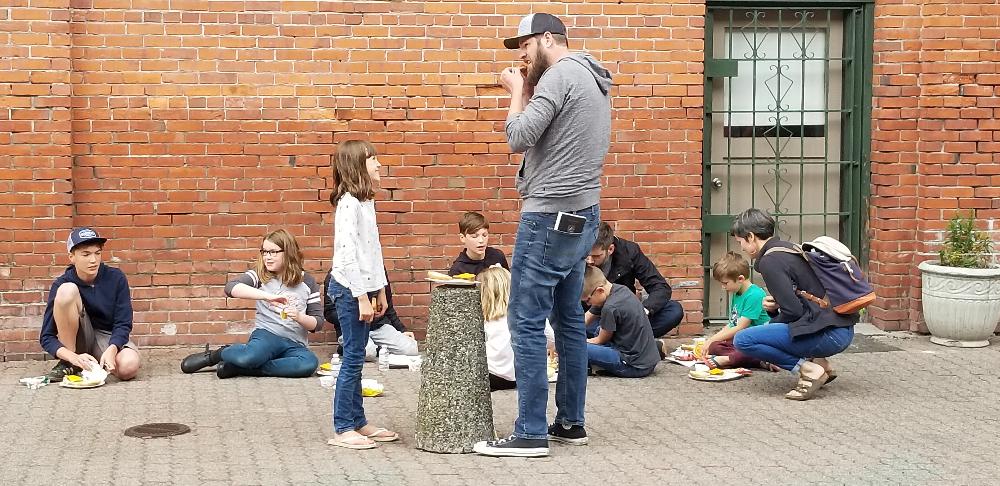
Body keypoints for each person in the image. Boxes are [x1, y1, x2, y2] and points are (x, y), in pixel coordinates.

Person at [474, 13, 612, 458]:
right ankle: (570, 423)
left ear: (548, 39)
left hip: (548, 216)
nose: (521, 56)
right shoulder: (591, 76)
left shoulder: (558, 76)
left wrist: (517, 93)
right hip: (583, 214)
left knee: (525, 322)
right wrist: (530, 90)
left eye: (526, 46)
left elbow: (518, 135)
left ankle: (530, 432)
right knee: (569, 321)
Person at [730, 208, 857, 400]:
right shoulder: (787, 248)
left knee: (744, 340)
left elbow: (793, 311)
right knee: (771, 330)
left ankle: (809, 369)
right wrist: (775, 310)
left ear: (750, 237)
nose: (741, 248)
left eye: (740, 242)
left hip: (830, 335)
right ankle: (823, 365)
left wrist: (769, 326)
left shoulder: (769, 262)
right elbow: (800, 304)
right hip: (842, 329)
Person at [326, 139, 399, 449]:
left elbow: (373, 251)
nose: (379, 164)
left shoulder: (366, 202)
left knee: (357, 356)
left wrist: (380, 290)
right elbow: (346, 255)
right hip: (348, 289)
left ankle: (359, 422)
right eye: (372, 159)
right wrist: (359, 297)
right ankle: (343, 427)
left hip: (366, 287)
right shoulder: (348, 204)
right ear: (357, 166)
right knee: (354, 358)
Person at [179, 229, 323, 379]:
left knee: (308, 364)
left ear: (288, 252)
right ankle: (217, 355)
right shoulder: (260, 275)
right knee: (248, 357)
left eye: (273, 252)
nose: (267, 257)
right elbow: (231, 288)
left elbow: (317, 323)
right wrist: (268, 297)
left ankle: (240, 368)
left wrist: (299, 317)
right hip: (267, 336)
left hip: (295, 343)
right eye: (265, 252)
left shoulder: (308, 282)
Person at [40, 227, 141, 381]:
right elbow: (47, 336)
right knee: (67, 290)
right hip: (76, 340)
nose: (93, 260)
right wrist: (71, 356)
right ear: (71, 257)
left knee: (129, 366)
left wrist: (113, 348)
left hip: (106, 337)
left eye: (97, 253)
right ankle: (69, 365)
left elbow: (123, 323)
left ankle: (96, 360)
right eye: (86, 254)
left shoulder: (116, 278)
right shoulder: (62, 283)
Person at [585, 222, 684, 342]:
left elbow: (660, 287)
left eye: (596, 256)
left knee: (673, 311)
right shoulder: (577, 256)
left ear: (610, 249)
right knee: (572, 325)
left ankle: (617, 340)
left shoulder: (629, 251)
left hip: (625, 318)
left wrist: (641, 312)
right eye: (586, 255)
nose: (589, 261)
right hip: (592, 317)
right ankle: (634, 342)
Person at [477, 265, 555, 391]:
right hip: (516, 377)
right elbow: (551, 340)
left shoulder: (484, 319)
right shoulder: (529, 312)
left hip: (490, 374)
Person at [581, 266, 659, 378]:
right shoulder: (619, 289)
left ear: (600, 291)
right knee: (597, 329)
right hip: (646, 360)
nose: (588, 304)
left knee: (576, 347)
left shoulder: (610, 308)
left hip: (633, 365)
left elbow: (600, 340)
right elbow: (587, 318)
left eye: (588, 300)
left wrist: (569, 342)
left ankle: (586, 365)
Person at [702, 251, 775, 370]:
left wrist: (712, 339)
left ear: (740, 278)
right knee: (714, 347)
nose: (723, 287)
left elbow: (740, 327)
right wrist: (711, 341)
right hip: (741, 341)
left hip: (759, 342)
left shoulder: (754, 294)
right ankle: (752, 360)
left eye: (725, 283)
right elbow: (732, 323)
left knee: (743, 351)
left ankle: (729, 359)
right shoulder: (737, 292)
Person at [323, 271, 419, 361]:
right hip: (352, 328)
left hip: (378, 326)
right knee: (369, 353)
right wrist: (355, 314)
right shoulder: (337, 272)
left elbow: (388, 307)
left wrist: (402, 330)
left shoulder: (378, 268)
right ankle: (349, 347)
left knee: (411, 349)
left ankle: (373, 347)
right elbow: (329, 313)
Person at [449, 211, 510, 276]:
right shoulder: (458, 269)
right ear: (462, 238)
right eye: (474, 236)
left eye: (484, 235)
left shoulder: (497, 256)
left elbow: (509, 283)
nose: (481, 240)